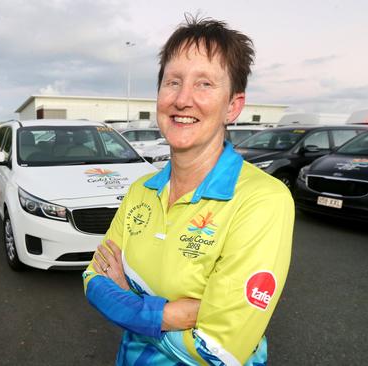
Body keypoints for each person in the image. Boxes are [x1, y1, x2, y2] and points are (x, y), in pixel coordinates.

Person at [83, 15, 294, 365]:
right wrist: (173, 314)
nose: (182, 99)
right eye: (173, 82)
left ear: (233, 106)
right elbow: (93, 278)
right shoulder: (141, 190)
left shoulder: (262, 200)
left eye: (205, 84)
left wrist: (131, 305)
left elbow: (218, 350)